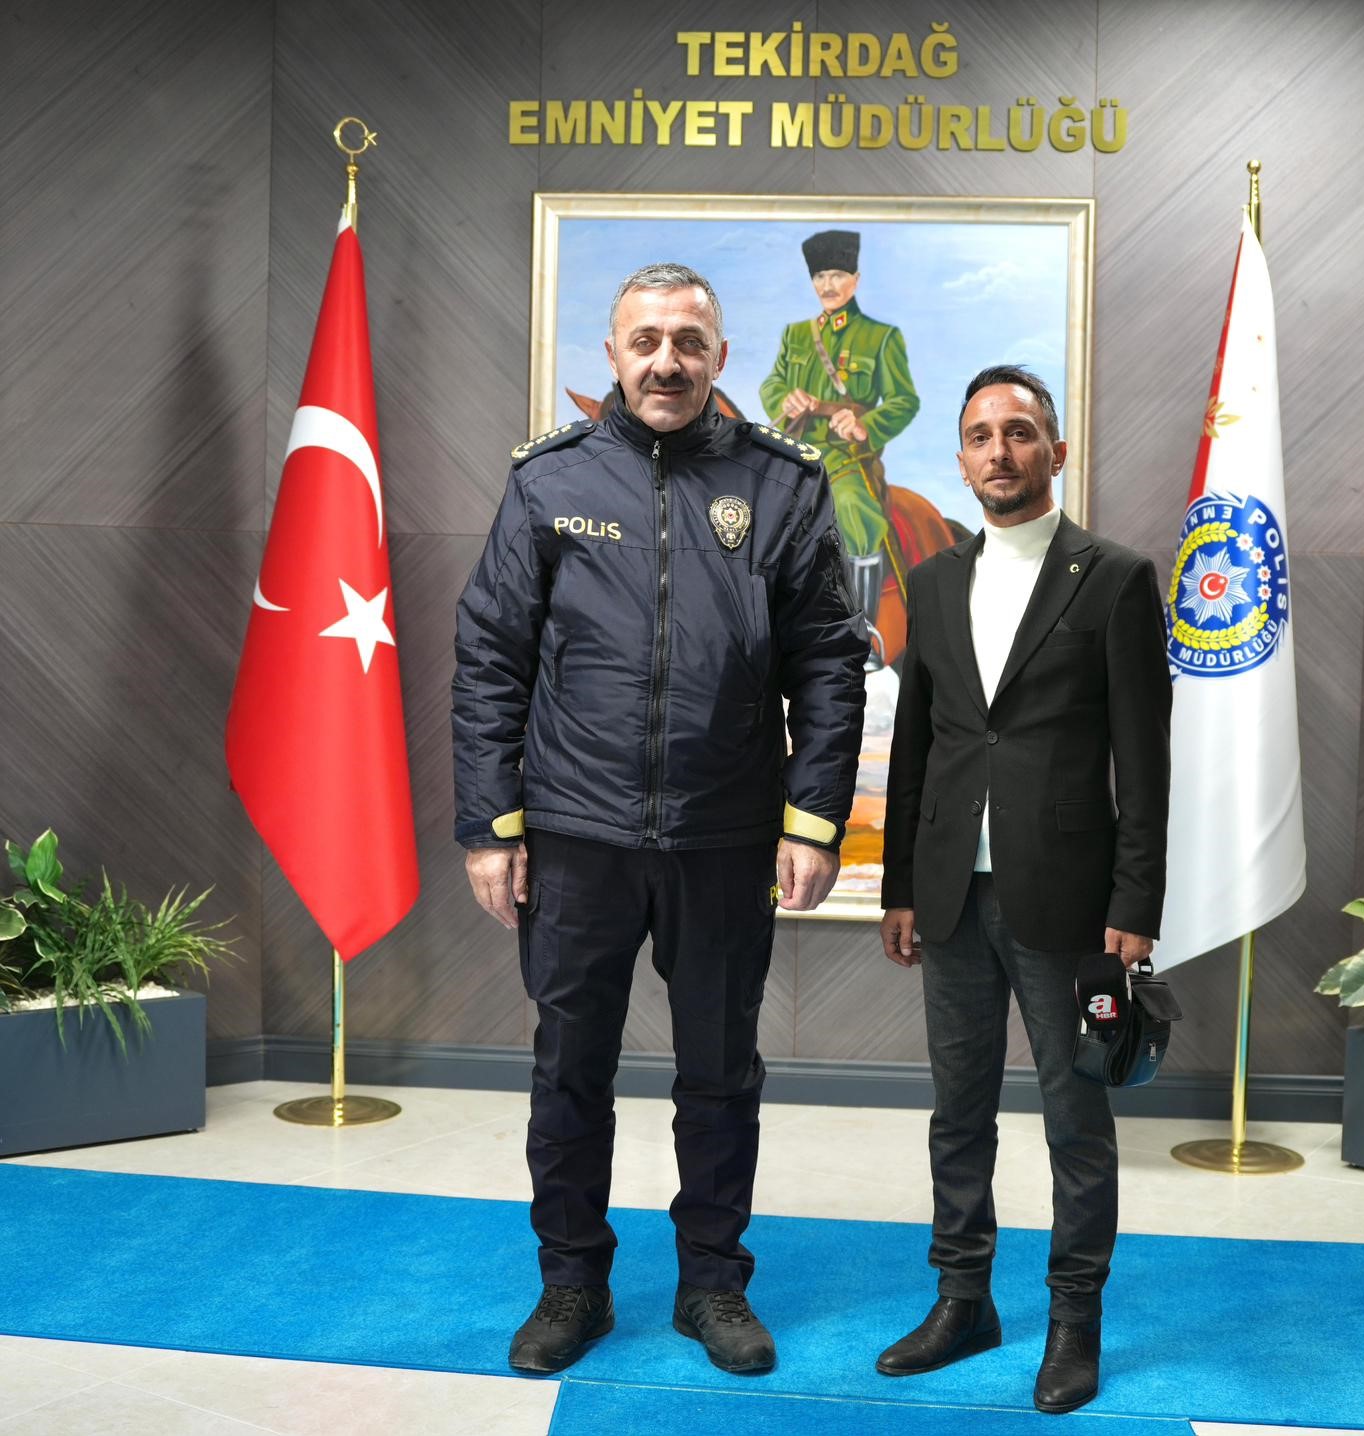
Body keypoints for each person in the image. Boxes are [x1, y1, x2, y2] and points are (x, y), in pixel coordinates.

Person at [452, 262, 869, 1378]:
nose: (667, 361)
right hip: (575, 837)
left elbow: (829, 664)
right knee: (569, 1071)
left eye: (689, 341)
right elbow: (489, 657)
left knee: (721, 1073)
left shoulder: (782, 486)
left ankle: (712, 1284)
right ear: (612, 355)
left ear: (721, 357)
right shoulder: (548, 481)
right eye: (646, 341)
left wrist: (813, 819)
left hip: (724, 838)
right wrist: (490, 825)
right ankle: (572, 1284)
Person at [874, 365, 1171, 1414]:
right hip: (950, 896)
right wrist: (899, 886)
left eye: (1018, 431)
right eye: (979, 435)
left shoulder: (1115, 577)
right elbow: (917, 749)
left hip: (1072, 904)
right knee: (957, 1114)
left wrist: (1134, 905)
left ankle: (1073, 1322)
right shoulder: (933, 584)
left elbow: (1145, 761)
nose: (998, 450)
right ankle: (963, 1301)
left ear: (1055, 449)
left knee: (1074, 1122)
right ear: (960, 458)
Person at [759, 230, 920, 665]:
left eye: (836, 275)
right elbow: (772, 383)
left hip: (846, 458)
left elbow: (905, 401)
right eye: (820, 277)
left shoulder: (881, 337)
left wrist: (865, 425)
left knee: (854, 512)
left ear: (855, 279)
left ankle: (861, 633)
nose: (827, 285)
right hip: (793, 453)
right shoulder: (796, 335)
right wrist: (784, 399)